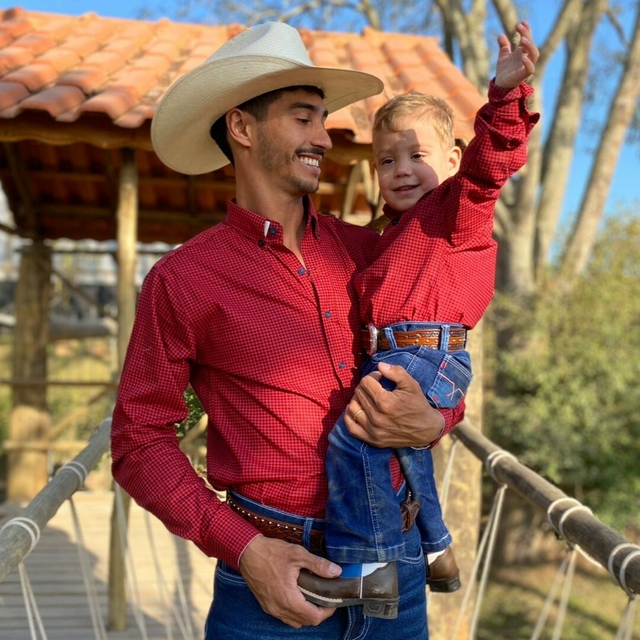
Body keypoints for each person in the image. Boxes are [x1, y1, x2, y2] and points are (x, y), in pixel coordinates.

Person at [110, 21, 466, 639]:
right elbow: (138, 442)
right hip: (270, 583)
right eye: (304, 118)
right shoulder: (182, 280)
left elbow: (438, 352)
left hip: (398, 572)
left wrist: (440, 419)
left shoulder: (374, 253)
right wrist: (244, 548)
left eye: (322, 120)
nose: (324, 138)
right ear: (243, 129)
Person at [296, 21, 539, 615]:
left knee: (352, 441)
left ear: (451, 159)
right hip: (405, 354)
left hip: (428, 352)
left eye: (417, 154)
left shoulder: (455, 211)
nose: (401, 168)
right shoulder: (389, 236)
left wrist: (504, 99)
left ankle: (368, 568)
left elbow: (489, 170)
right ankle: (438, 549)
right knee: (403, 451)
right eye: (386, 160)